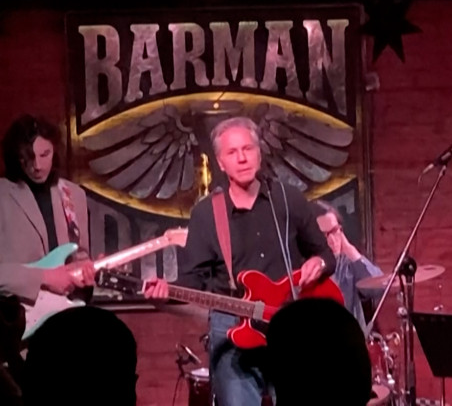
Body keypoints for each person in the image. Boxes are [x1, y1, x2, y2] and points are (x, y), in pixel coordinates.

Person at [143, 116, 336, 406]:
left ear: (259, 153)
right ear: (220, 162)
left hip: (291, 326)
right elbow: (192, 280)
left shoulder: (288, 199)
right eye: (232, 153)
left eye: (248, 149)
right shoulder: (206, 214)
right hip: (232, 325)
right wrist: (165, 291)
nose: (242, 158)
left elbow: (326, 254)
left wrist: (319, 264)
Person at [0, 114, 95, 304]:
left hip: (67, 316)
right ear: (15, 156)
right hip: (19, 319)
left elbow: (80, 255)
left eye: (45, 154)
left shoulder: (74, 195)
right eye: (27, 157)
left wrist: (86, 272)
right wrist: (44, 278)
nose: (37, 166)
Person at [313, 200, 383, 332]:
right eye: (324, 235)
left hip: (351, 345)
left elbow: (377, 289)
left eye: (334, 231)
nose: (332, 241)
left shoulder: (348, 264)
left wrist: (350, 250)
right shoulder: (304, 267)